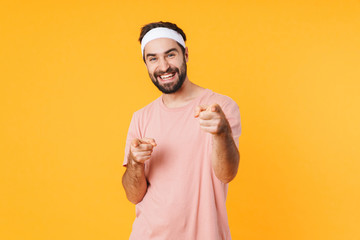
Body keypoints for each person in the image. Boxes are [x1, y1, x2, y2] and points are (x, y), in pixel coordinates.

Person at [122, 21, 241, 240]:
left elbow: (226, 174)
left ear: (185, 54)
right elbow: (133, 195)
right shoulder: (141, 117)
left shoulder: (219, 107)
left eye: (170, 54)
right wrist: (135, 163)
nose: (164, 66)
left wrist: (222, 133)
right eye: (153, 58)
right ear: (146, 63)